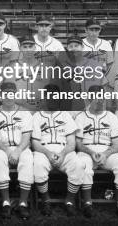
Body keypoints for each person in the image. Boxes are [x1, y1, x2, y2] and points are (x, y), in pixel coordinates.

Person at [74, 85, 118, 219]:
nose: (99, 101)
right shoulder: (81, 117)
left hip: (107, 152)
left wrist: (105, 154)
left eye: (102, 97)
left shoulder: (111, 117)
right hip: (87, 151)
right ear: (89, 99)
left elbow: (117, 145)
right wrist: (90, 152)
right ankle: (87, 203)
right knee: (83, 164)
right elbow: (78, 143)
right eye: (95, 98)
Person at [31, 84, 85, 217]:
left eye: (55, 97)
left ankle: (70, 201)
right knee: (37, 165)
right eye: (48, 96)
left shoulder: (65, 115)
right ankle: (46, 200)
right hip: (44, 150)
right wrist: (48, 153)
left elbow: (72, 143)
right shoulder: (37, 116)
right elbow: (35, 142)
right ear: (44, 98)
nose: (52, 99)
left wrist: (62, 154)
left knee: (78, 165)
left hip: (64, 150)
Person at [0, 82, 34, 220]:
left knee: (27, 159)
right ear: (0, 96)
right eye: (5, 93)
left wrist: (17, 151)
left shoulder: (25, 113)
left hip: (21, 147)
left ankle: (23, 203)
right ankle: (5, 202)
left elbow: (27, 137)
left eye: (12, 93)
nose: (9, 96)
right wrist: (8, 151)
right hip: (2, 148)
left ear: (16, 94)